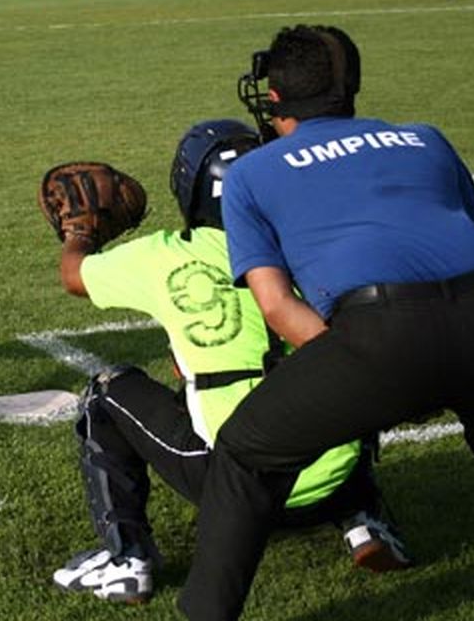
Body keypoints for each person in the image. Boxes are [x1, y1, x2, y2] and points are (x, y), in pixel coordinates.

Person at [171, 24, 474, 621]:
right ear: (352, 88)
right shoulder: (426, 138)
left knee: (244, 451)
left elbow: (277, 307)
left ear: (273, 98)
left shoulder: (252, 174)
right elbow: (467, 239)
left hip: (388, 331)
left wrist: (377, 380)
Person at [49, 120, 410, 607]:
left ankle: (126, 559)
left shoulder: (164, 256)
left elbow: (75, 276)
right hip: (334, 478)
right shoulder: (314, 243)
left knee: (108, 390)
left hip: (235, 485)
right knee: (348, 360)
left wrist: (79, 232)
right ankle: (364, 518)